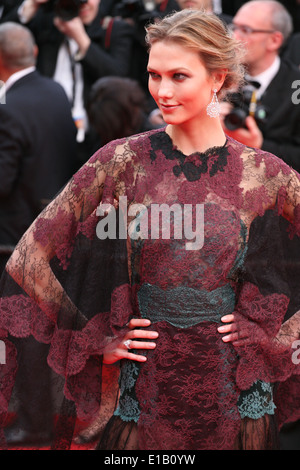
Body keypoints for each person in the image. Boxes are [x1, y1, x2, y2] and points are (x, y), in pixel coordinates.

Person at [0, 9, 299, 451]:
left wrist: (278, 335)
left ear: (217, 79)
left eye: (179, 76)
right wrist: (93, 337)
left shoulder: (264, 175)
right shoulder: (120, 162)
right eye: (154, 75)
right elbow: (28, 259)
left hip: (237, 401)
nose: (162, 91)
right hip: (141, 396)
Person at [6, 0, 135, 166]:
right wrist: (32, 4)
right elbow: (7, 42)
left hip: (94, 137)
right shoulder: (46, 24)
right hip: (46, 136)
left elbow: (118, 77)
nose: (82, 4)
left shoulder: (113, 29)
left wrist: (81, 39)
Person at [221, 0, 300, 172]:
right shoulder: (219, 78)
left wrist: (258, 146)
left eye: (246, 30)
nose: (234, 37)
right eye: (233, 28)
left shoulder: (296, 85)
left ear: (274, 40)